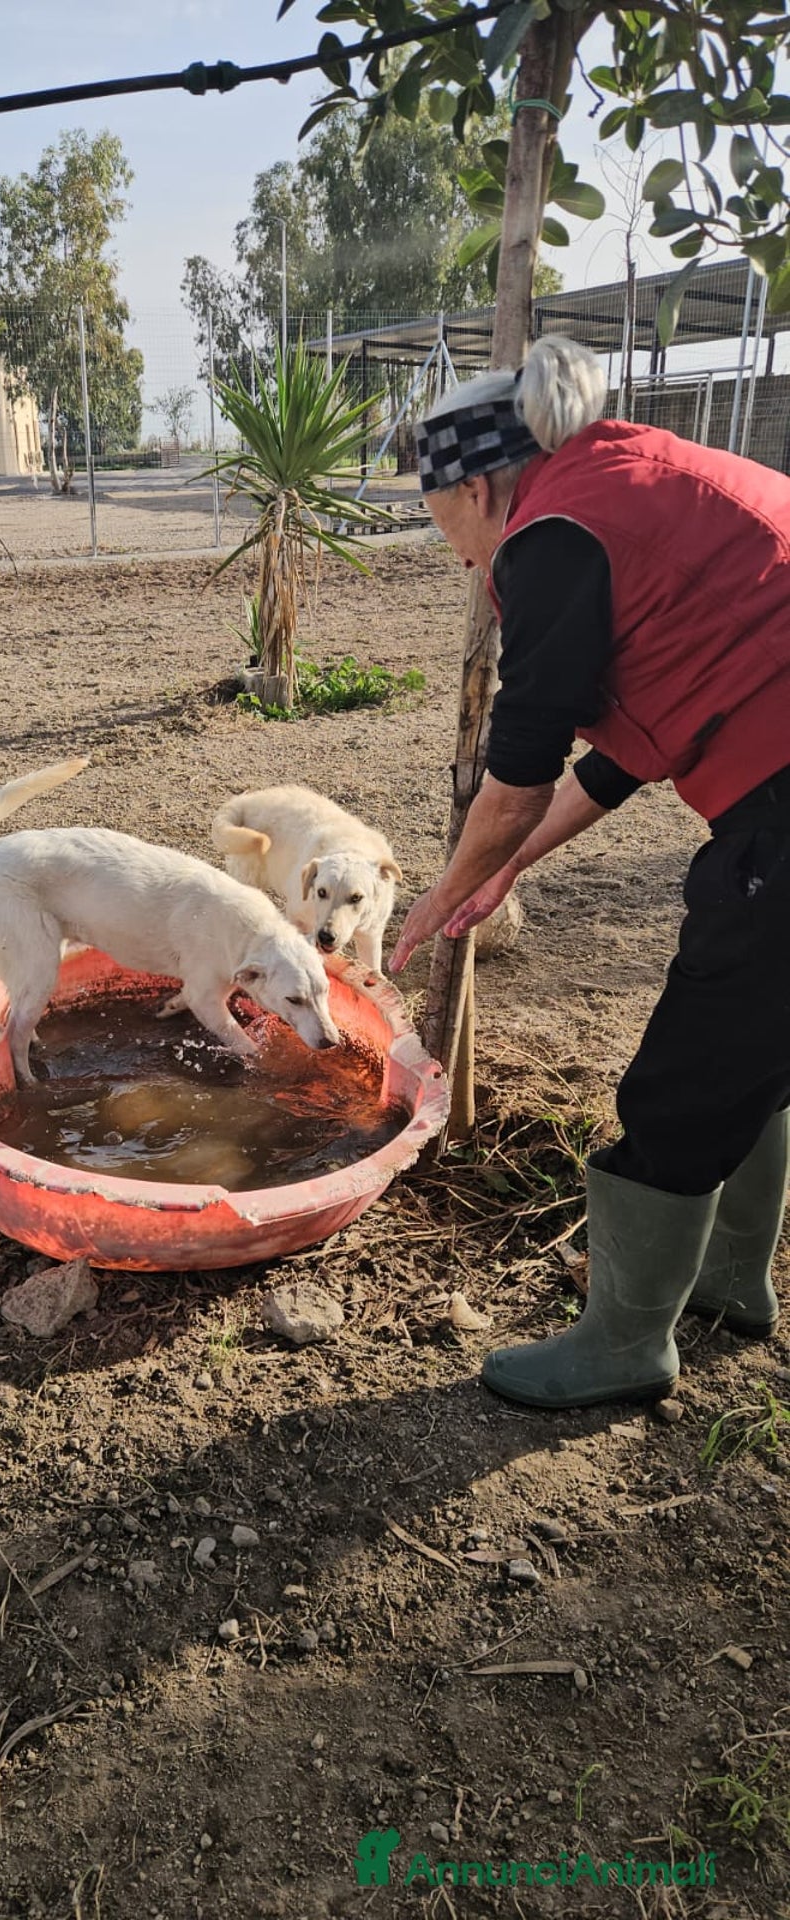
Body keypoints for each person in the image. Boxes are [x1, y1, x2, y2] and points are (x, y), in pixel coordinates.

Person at [389, 334, 790, 1411]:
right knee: (758, 1052)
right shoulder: (637, 477)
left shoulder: (554, 532)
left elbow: (519, 772)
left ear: (478, 485)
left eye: (459, 543)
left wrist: (441, 894)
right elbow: (622, 756)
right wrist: (500, 868)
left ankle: (626, 1343)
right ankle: (729, 1281)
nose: (475, 569)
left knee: (684, 1078)